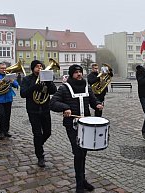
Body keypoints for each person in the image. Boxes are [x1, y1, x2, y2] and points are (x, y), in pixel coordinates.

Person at [50, 64, 103, 193]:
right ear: (71, 74)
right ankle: (79, 183)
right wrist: (65, 107)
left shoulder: (86, 86)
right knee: (78, 152)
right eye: (76, 72)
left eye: (80, 72)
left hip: (86, 125)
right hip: (72, 125)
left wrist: (97, 105)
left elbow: (92, 100)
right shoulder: (64, 88)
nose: (79, 74)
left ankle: (83, 180)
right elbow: (53, 103)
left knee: (83, 153)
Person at [20, 60, 57, 167]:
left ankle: (38, 145)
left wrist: (49, 82)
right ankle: (40, 156)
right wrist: (34, 87)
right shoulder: (27, 79)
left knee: (48, 132)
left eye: (41, 66)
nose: (39, 68)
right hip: (33, 110)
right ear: (33, 68)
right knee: (37, 133)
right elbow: (23, 94)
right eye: (37, 66)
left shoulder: (46, 78)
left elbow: (54, 91)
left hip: (45, 109)